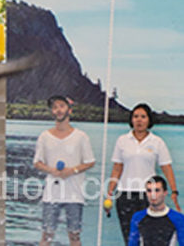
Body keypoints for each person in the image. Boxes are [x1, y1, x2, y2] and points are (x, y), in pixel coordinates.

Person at [107, 102, 180, 242]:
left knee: (148, 237)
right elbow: (117, 168)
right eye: (135, 116)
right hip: (124, 195)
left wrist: (174, 191)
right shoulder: (122, 140)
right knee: (129, 238)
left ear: (149, 120)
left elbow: (167, 168)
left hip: (150, 195)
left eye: (143, 117)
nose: (139, 120)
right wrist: (110, 193)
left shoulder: (157, 142)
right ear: (131, 120)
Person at [33, 95, 95, 246]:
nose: (58, 110)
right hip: (51, 195)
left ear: (69, 110)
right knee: (47, 236)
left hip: (74, 194)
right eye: (55, 107)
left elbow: (90, 162)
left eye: (61, 106)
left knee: (74, 236)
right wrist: (51, 170)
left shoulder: (81, 136)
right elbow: (37, 162)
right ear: (52, 112)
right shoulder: (44, 136)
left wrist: (72, 170)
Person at [128, 175, 184, 245]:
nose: (153, 195)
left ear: (165, 193)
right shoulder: (138, 217)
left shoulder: (178, 218)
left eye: (157, 190)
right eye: (149, 191)